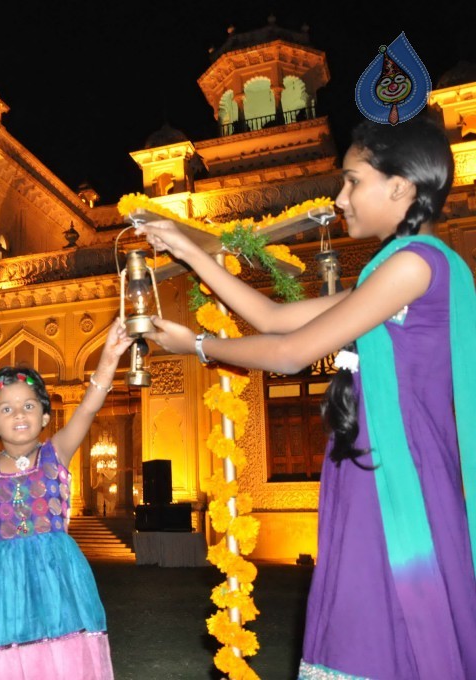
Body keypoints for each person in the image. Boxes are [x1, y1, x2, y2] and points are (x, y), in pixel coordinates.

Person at [135, 116, 476, 679]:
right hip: (373, 464)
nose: (340, 198)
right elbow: (272, 316)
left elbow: (292, 353)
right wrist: (190, 251)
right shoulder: (400, 271)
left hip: (396, 476)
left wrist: (200, 344)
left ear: (400, 185)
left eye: (351, 181)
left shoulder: (416, 265)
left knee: (383, 621)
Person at [0, 317, 133, 678]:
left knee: (56, 658)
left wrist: (108, 359)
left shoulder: (56, 453)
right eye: (7, 408)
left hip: (55, 576)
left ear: (45, 415)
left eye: (29, 406)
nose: (19, 414)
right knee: (5, 659)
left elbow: (89, 408)